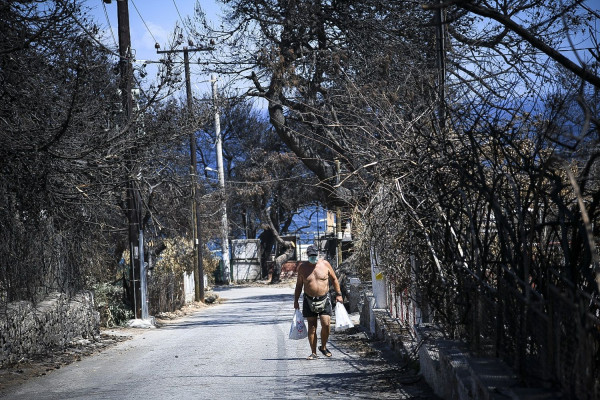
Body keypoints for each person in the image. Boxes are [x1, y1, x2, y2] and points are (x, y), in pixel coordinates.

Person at [294, 245, 343, 360]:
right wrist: (296, 301)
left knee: (326, 324)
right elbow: (299, 286)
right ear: (307, 255)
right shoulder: (302, 268)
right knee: (312, 327)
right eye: (311, 256)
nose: (313, 258)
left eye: (315, 255)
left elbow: (334, 279)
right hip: (308, 300)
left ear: (318, 254)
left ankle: (324, 347)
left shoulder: (325, 264)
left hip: (324, 299)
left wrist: (339, 294)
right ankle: (313, 352)